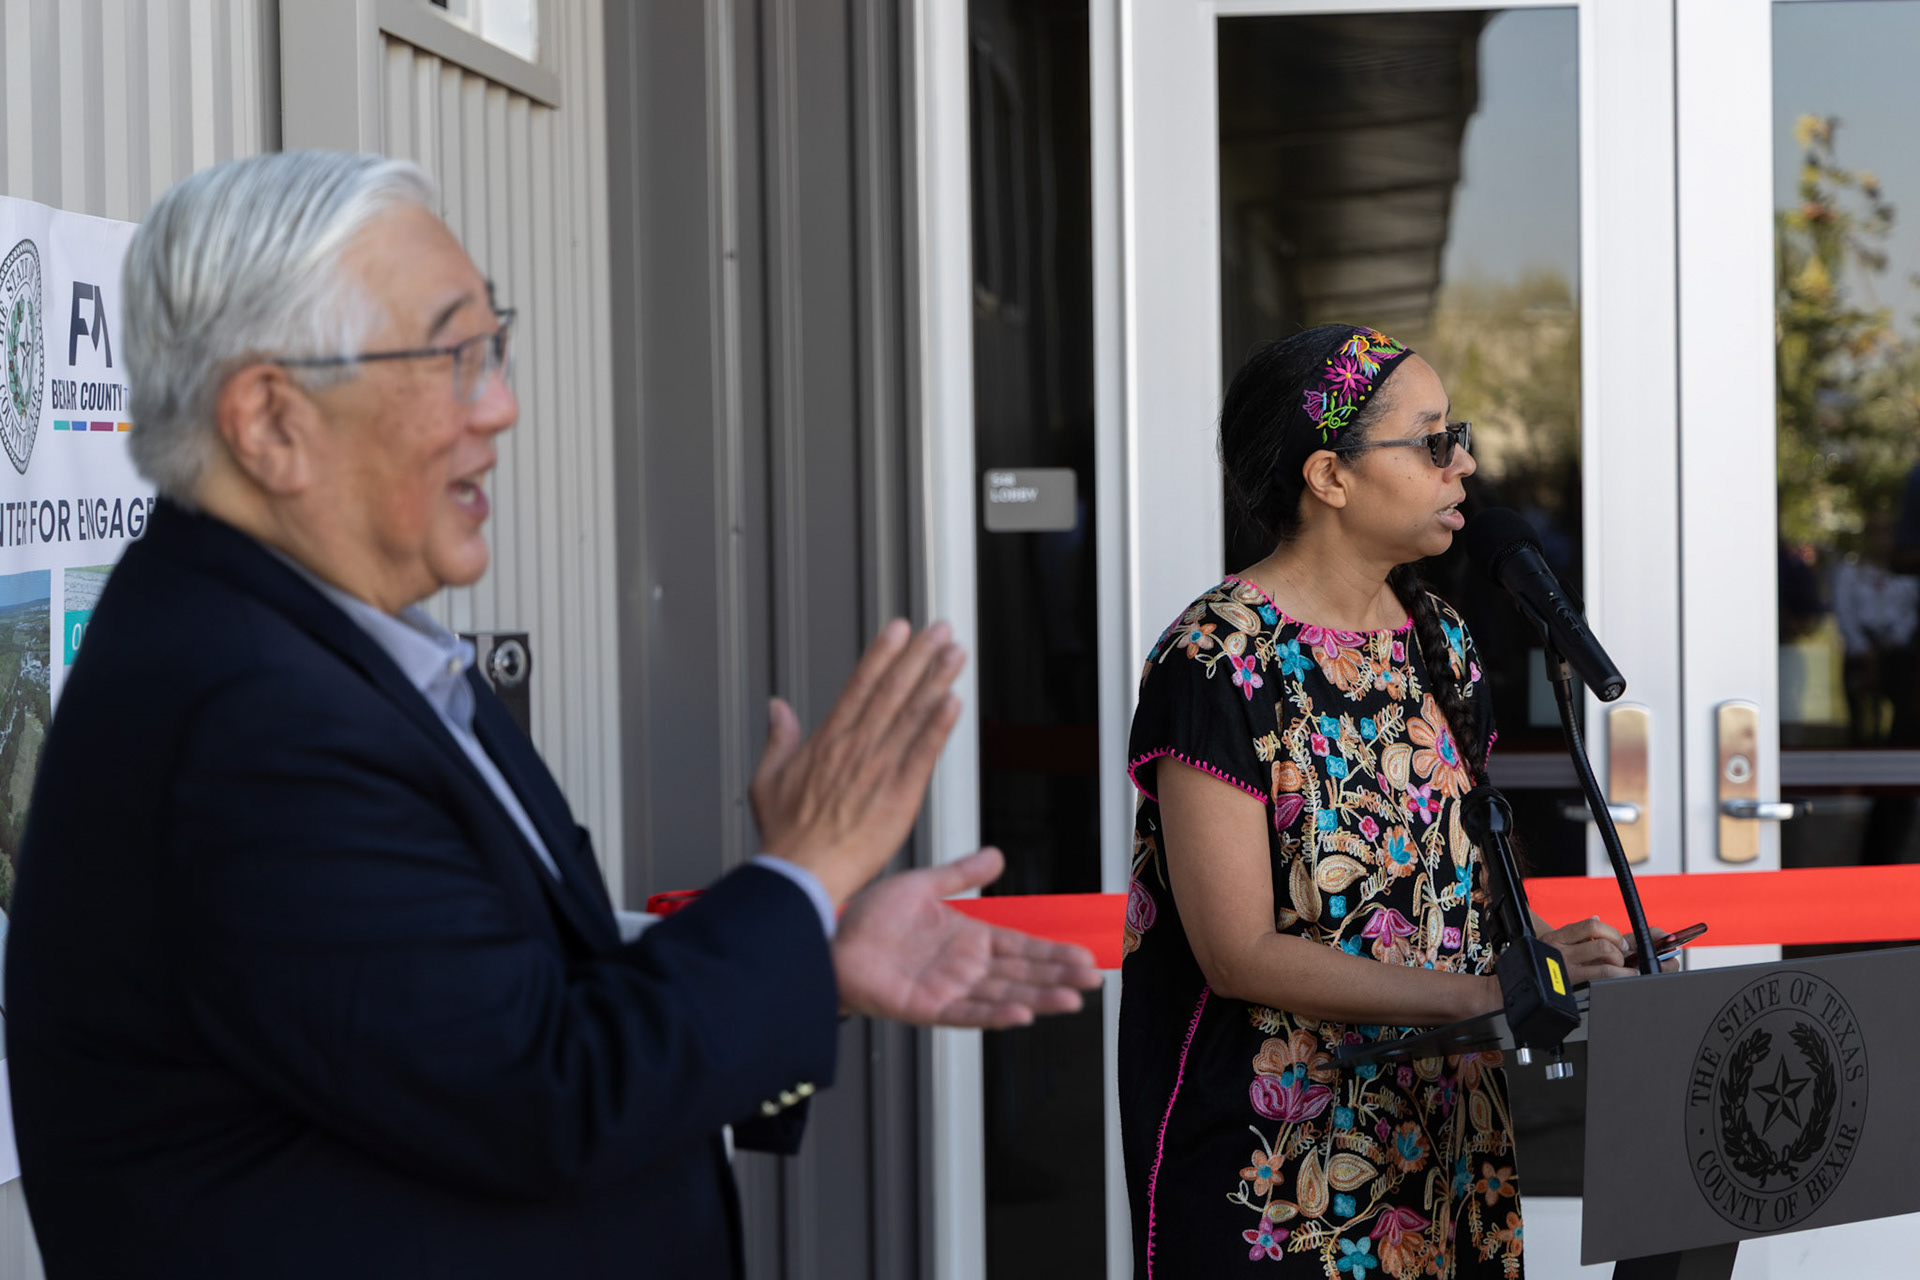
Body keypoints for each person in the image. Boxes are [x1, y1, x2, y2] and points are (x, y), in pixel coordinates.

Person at [4, 151, 1100, 1279]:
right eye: (451, 355)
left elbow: (482, 1002)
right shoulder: (249, 722)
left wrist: (803, 946)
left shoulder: (318, 650)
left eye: (496, 342)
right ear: (271, 421)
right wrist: (801, 873)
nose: (503, 404)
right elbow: (550, 1092)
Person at [1117, 326, 1638, 1279]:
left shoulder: (1439, 634)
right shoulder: (1214, 659)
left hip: (1444, 1135)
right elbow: (1238, 955)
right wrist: (1486, 995)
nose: (1465, 462)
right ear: (1331, 477)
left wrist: (1544, 959)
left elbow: (1447, 883)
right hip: (1282, 1174)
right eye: (1433, 439)